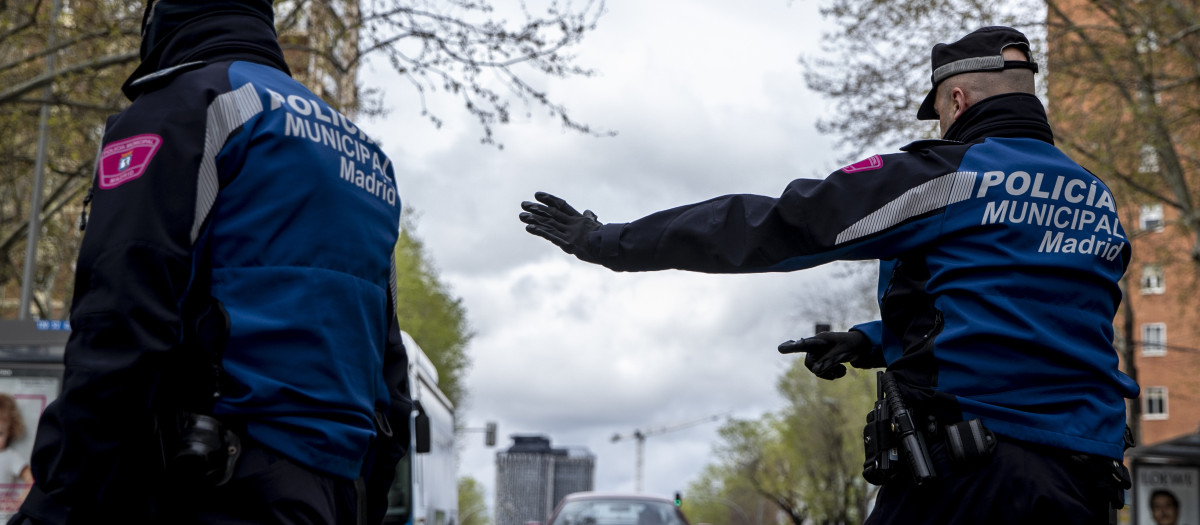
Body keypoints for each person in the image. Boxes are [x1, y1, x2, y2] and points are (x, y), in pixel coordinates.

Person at [520, 26, 1138, 524]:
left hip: (967, 475)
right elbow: (1027, 309)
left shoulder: (949, 176)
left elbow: (777, 225)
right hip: (1084, 479)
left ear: (958, 100)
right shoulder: (1096, 199)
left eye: (940, 116)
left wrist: (608, 241)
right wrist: (871, 339)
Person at [9, 1, 411, 523]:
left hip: (209, 487)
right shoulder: (364, 159)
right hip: (334, 495)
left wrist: (56, 500)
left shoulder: (184, 108)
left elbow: (123, 319)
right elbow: (389, 372)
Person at [0, 394, 33, 511]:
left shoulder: (10, 456)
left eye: (0, 433)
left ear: (9, 432)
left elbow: (30, 479)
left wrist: (19, 501)